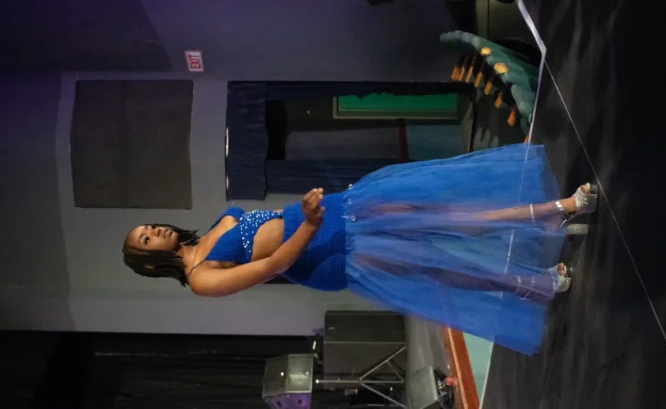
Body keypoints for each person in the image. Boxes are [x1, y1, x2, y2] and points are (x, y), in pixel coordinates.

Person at [122, 143, 597, 355]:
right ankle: (528, 284)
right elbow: (273, 265)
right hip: (328, 254)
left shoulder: (209, 231)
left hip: (342, 210)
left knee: (444, 217)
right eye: (146, 238)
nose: (155, 230)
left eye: (149, 226)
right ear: (150, 262)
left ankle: (548, 213)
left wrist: (318, 210)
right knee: (437, 267)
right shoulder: (202, 279)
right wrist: (310, 224)